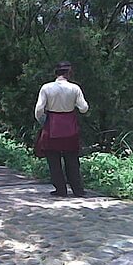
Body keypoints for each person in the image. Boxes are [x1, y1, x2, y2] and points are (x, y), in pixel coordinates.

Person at [34, 61, 89, 197]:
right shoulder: (75, 88)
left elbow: (39, 110)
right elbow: (84, 108)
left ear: (56, 73)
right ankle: (77, 190)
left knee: (53, 158)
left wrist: (43, 121)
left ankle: (60, 189)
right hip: (69, 123)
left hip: (52, 124)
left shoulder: (46, 88)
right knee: (72, 158)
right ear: (69, 73)